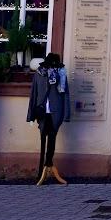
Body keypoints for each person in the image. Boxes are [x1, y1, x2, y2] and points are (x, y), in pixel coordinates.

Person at [27, 52, 71, 185]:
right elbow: (33, 94)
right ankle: (41, 171)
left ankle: (48, 164)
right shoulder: (39, 74)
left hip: (55, 112)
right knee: (42, 139)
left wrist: (66, 115)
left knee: (52, 137)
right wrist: (30, 115)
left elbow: (66, 95)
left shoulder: (61, 74)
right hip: (41, 111)